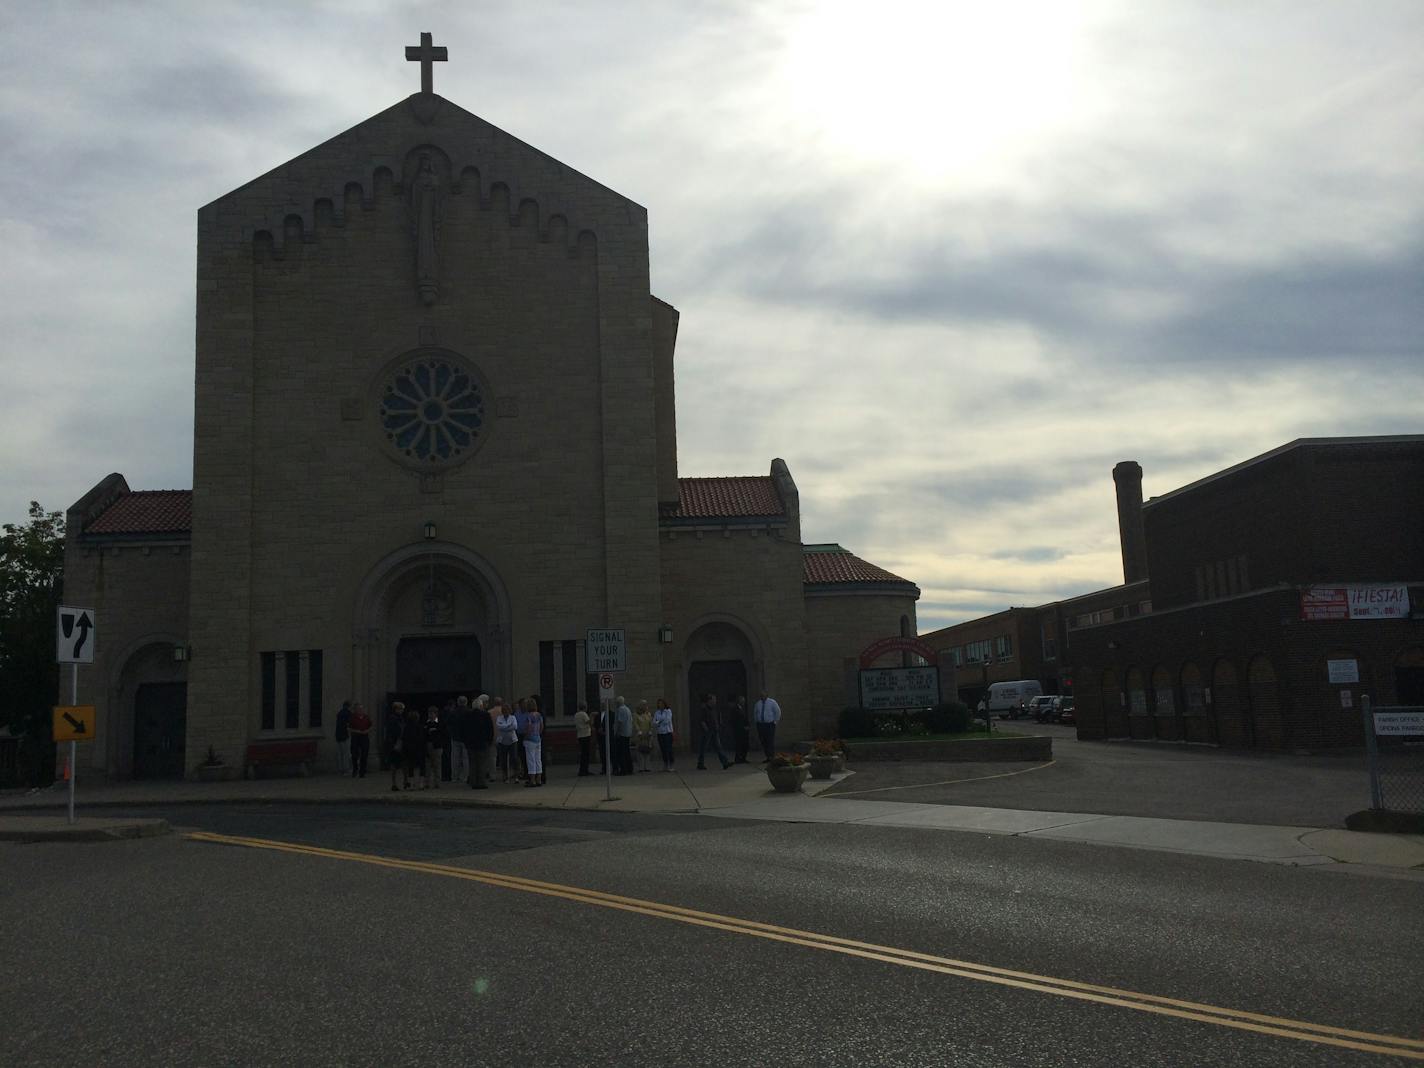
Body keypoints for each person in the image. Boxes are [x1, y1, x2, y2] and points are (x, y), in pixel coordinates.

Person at [697, 693, 731, 770]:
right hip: (708, 732)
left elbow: (716, 718)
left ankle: (725, 763)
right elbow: (702, 721)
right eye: (713, 700)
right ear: (709, 700)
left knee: (719, 747)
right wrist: (706, 729)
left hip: (715, 731)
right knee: (703, 748)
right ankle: (700, 764)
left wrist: (719, 725)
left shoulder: (714, 709)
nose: (715, 701)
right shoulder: (704, 709)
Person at [465, 695, 492, 789]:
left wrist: (466, 741)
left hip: (471, 743)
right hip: (482, 742)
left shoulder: (468, 715)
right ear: (481, 706)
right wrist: (489, 740)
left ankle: (473, 781)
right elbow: (489, 729)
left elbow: (464, 730)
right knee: (481, 763)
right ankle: (481, 782)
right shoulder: (485, 715)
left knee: (472, 763)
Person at [400, 705, 426, 790]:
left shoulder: (406, 728)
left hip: (409, 749)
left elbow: (404, 738)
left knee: (411, 766)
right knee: (421, 766)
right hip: (419, 749)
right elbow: (422, 738)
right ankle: (420, 784)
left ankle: (411, 784)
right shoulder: (420, 727)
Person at [494, 699, 518, 783]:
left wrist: (504, 726)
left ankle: (515, 775)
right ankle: (505, 775)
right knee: (503, 759)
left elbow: (514, 727)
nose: (506, 711)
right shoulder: (499, 718)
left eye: (507, 710)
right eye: (504, 710)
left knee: (514, 758)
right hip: (502, 741)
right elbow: (499, 726)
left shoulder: (513, 717)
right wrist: (508, 726)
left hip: (512, 740)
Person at [753, 690, 781, 761]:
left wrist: (775, 721)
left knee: (770, 740)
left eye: (763, 695)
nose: (762, 696)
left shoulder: (772, 702)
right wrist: (757, 721)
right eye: (761, 695)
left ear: (767, 695)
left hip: (769, 724)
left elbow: (777, 711)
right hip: (761, 725)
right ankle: (768, 756)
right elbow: (755, 713)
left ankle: (771, 756)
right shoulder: (758, 703)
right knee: (763, 740)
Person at [522, 697, 545, 787]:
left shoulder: (528, 716)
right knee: (538, 759)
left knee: (530, 759)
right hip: (537, 738)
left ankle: (532, 780)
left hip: (530, 739)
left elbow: (528, 727)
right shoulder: (539, 715)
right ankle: (539, 779)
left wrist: (526, 736)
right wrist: (538, 734)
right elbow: (541, 727)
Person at [448, 695, 470, 784]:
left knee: (455, 758)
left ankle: (454, 777)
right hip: (466, 738)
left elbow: (448, 723)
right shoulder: (469, 712)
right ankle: (465, 776)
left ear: (458, 702)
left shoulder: (453, 712)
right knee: (466, 759)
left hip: (455, 737)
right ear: (466, 702)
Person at [386, 702, 407, 791]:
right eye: (400, 709)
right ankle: (397, 783)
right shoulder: (394, 719)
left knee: (401, 763)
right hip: (396, 743)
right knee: (397, 763)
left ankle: (404, 781)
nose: (402, 711)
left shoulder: (399, 718)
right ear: (396, 709)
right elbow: (394, 731)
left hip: (397, 742)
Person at [348, 702, 372, 778]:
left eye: (361, 709)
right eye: (358, 709)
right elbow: (348, 728)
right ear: (355, 710)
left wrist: (367, 731)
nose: (360, 710)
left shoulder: (366, 717)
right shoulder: (352, 718)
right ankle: (355, 769)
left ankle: (362, 772)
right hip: (356, 737)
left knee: (364, 754)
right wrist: (356, 731)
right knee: (354, 754)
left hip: (364, 737)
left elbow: (371, 726)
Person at [612, 697, 634, 775]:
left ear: (618, 703)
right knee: (627, 752)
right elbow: (631, 720)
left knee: (621, 752)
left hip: (622, 734)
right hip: (627, 733)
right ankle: (629, 768)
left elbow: (619, 722)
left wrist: (617, 732)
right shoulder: (627, 709)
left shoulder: (620, 709)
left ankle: (623, 769)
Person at [652, 698, 675, 771]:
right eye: (659, 703)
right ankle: (665, 764)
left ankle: (671, 764)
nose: (660, 705)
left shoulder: (668, 711)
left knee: (668, 749)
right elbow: (654, 722)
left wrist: (658, 722)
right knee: (663, 749)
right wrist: (659, 722)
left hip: (667, 732)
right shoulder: (657, 712)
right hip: (660, 733)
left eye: (661, 703)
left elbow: (667, 721)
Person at [633, 700, 653, 773]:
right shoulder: (636, 715)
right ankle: (640, 767)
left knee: (647, 751)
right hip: (639, 735)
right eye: (644, 705)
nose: (645, 707)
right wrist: (639, 732)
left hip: (648, 735)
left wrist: (650, 731)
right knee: (640, 751)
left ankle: (647, 766)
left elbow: (651, 723)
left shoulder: (648, 714)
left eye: (646, 705)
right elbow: (635, 724)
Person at [730, 694, 750, 763]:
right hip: (739, 730)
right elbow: (735, 720)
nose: (743, 702)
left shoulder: (742, 708)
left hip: (744, 730)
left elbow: (745, 718)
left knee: (744, 744)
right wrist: (743, 727)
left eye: (744, 701)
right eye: (742, 701)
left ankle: (743, 758)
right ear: (738, 701)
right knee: (739, 745)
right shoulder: (735, 709)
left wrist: (748, 726)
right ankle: (738, 758)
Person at [333, 700, 352, 773]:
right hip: (345, 735)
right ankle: (346, 769)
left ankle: (340, 769)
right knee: (346, 753)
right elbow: (350, 724)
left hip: (338, 735)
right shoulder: (348, 713)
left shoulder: (339, 713)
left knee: (340, 753)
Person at [574, 702, 592, 776]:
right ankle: (585, 770)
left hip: (580, 735)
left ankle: (582, 770)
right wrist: (591, 716)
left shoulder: (576, 715)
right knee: (586, 754)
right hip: (586, 735)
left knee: (583, 754)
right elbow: (588, 722)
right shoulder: (584, 714)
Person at [593, 703, 608, 774]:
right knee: (602, 753)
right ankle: (604, 768)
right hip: (600, 736)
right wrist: (598, 729)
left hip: (607, 736)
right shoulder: (597, 715)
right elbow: (595, 724)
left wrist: (605, 731)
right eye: (601, 706)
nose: (602, 707)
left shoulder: (610, 714)